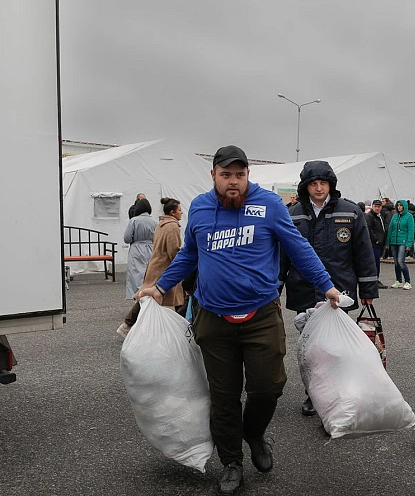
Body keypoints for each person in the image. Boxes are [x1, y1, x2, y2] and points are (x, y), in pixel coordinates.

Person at [139, 145, 341, 496]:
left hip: (261, 314)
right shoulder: (201, 208)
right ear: (213, 175)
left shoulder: (270, 205)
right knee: (223, 396)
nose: (234, 182)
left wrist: (327, 286)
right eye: (226, 175)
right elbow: (189, 254)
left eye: (240, 174)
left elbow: (297, 246)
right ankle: (232, 462)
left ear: (248, 174)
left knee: (269, 385)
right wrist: (160, 287)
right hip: (213, 319)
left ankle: (254, 432)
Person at [280, 160, 378, 416]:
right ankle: (313, 394)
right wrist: (274, 290)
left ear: (331, 184)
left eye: (323, 183)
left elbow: (363, 253)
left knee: (336, 348)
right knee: (310, 348)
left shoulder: (351, 212)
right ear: (305, 186)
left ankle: (337, 393)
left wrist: (368, 291)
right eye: (313, 183)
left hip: (338, 291)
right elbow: (281, 255)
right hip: (303, 289)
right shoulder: (292, 214)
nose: (319, 188)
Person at [117, 198, 185, 337]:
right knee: (179, 297)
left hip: (151, 260)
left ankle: (128, 324)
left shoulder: (159, 223)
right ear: (172, 212)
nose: (182, 212)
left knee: (147, 296)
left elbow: (127, 238)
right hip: (164, 266)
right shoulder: (170, 226)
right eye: (179, 210)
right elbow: (173, 250)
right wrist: (182, 266)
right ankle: (184, 329)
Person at [124, 198, 157, 301]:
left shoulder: (133, 221)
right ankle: (148, 296)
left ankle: (138, 297)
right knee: (149, 274)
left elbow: (127, 238)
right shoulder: (154, 221)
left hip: (136, 249)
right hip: (151, 248)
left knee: (136, 275)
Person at [386, 200, 414, 289]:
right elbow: (390, 229)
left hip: (403, 242)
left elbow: (411, 231)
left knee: (401, 261)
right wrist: (388, 242)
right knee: (396, 263)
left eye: (401, 205)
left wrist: (409, 244)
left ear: (404, 206)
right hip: (394, 241)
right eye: (398, 205)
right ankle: (398, 280)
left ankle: (407, 281)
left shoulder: (409, 217)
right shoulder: (395, 216)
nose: (399, 207)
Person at [365, 199, 388, 289]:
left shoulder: (380, 216)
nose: (377, 208)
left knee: (377, 262)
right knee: (374, 263)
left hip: (380, 243)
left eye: (379, 206)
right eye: (376, 206)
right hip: (373, 244)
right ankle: (374, 280)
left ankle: (375, 279)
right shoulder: (369, 216)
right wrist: (376, 239)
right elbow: (368, 229)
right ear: (372, 206)